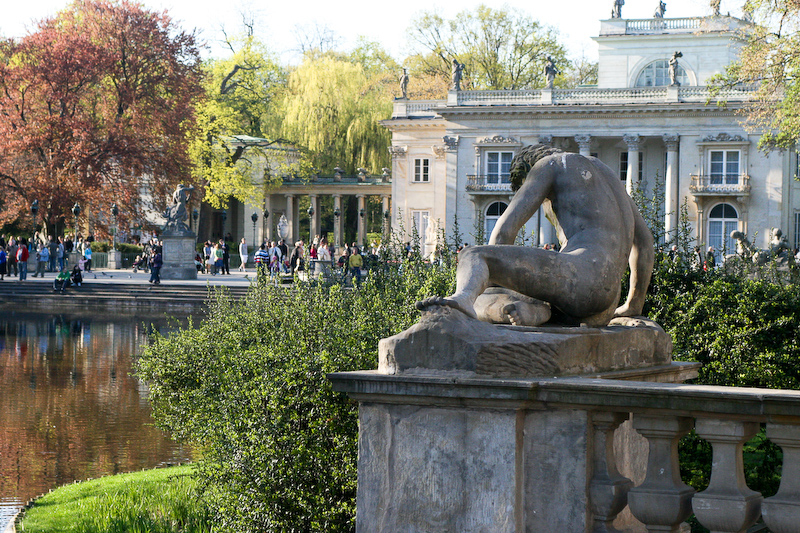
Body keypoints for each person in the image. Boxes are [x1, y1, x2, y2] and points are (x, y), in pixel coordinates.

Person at [417, 143, 654, 327]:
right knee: (511, 287)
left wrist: (493, 286)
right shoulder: (609, 176)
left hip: (580, 277)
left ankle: (464, 299)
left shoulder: (549, 165)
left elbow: (502, 235)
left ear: (527, 174)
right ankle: (539, 311)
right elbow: (645, 244)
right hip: (606, 302)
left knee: (474, 257)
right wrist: (633, 304)